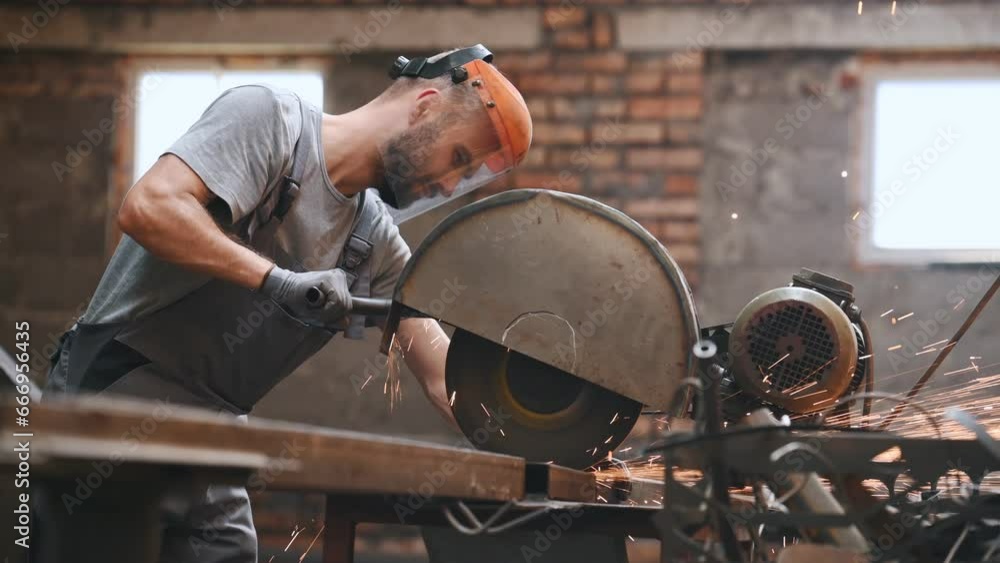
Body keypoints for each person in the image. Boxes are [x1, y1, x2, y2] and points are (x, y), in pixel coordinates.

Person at [43, 44, 532, 562]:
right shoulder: (269, 119)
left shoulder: (377, 243)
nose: (451, 182)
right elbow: (149, 207)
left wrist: (541, 435)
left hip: (215, 436)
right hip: (112, 402)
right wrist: (275, 281)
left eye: (467, 174)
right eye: (458, 158)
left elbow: (443, 378)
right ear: (425, 105)